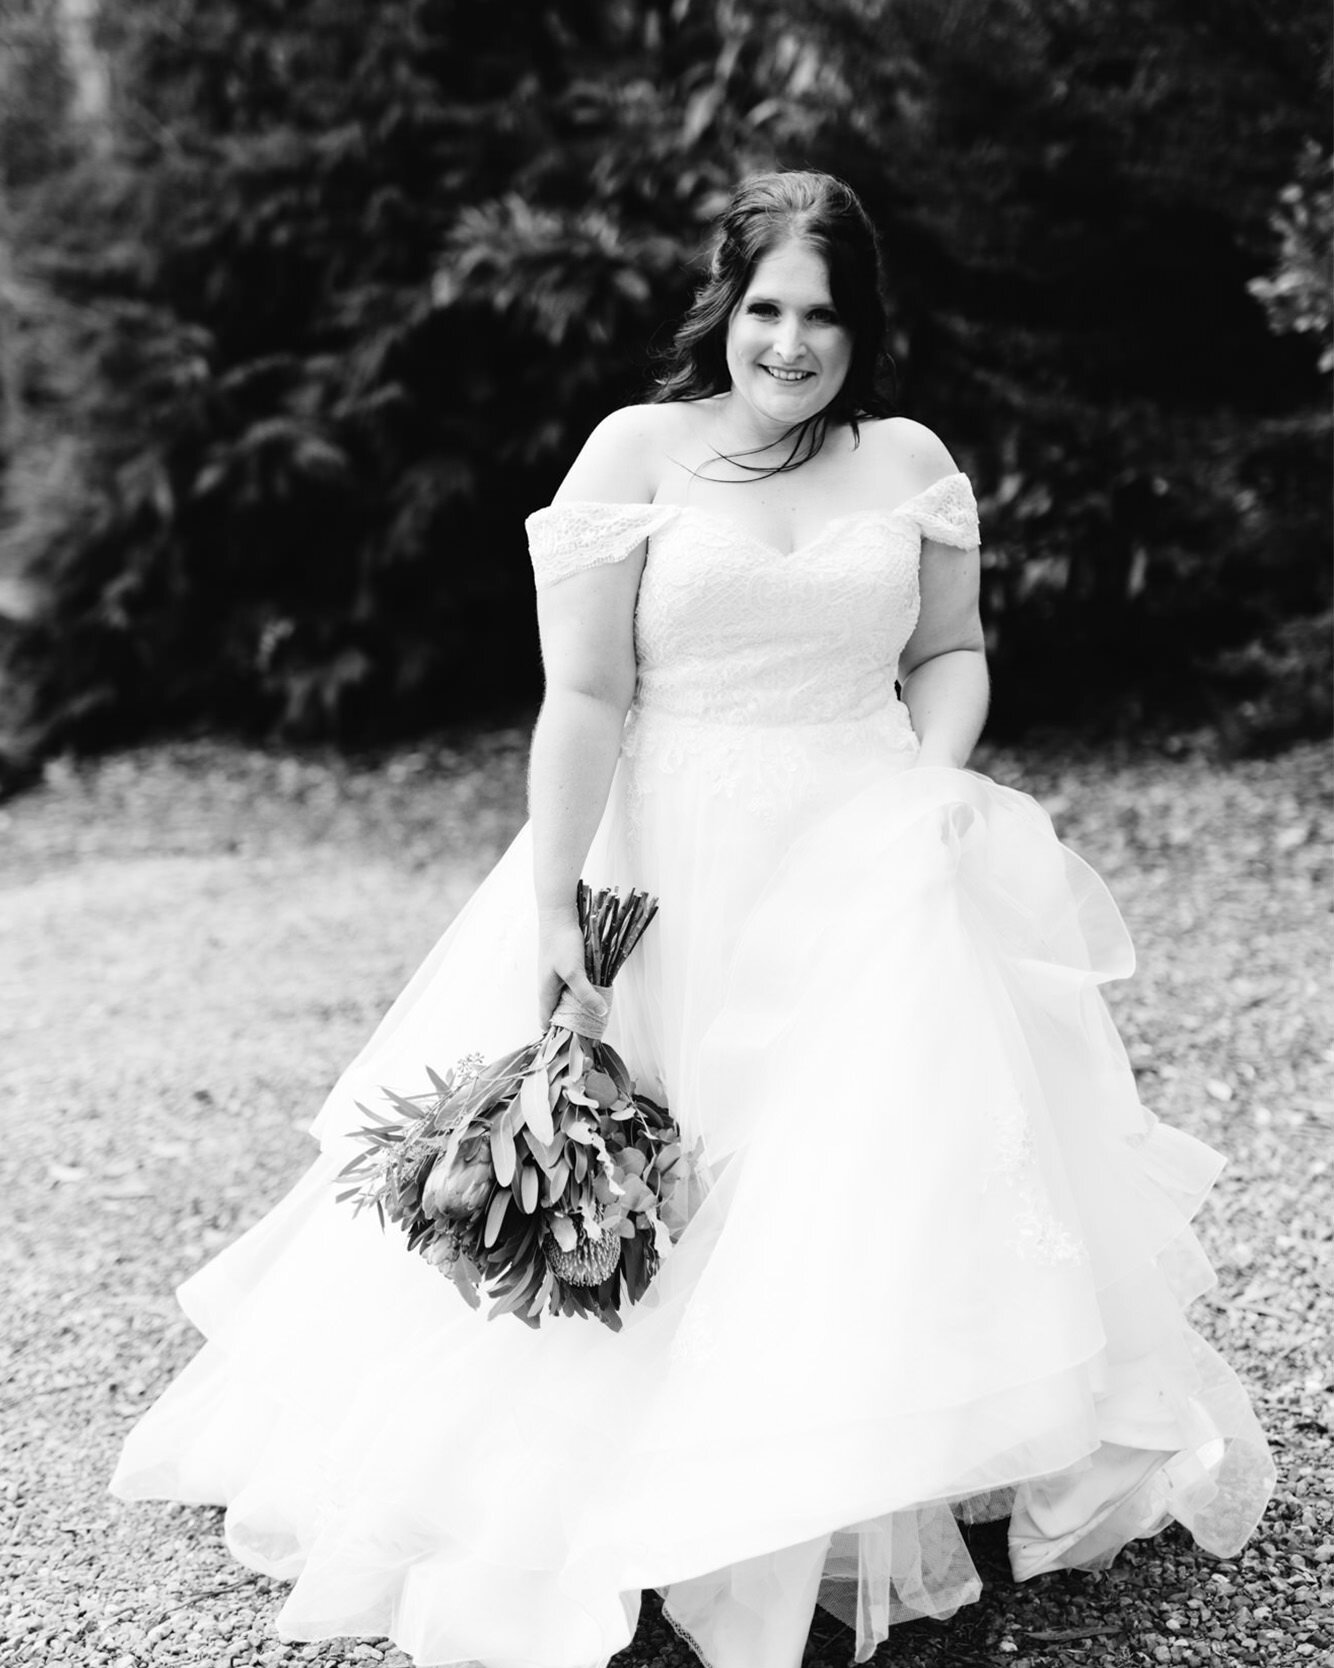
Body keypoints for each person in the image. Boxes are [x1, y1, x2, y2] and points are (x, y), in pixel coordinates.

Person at [110, 171, 1274, 1668]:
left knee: (865, 1166)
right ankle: (630, 1480)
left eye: (824, 317)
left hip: (865, 846)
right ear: (723, 307)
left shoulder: (905, 459)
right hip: (669, 849)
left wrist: (928, 790)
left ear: (863, 330)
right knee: (659, 1154)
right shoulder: (633, 453)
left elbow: (954, 650)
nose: (790, 345)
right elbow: (585, 695)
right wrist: (553, 903)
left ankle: (852, 1449)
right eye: (766, 309)